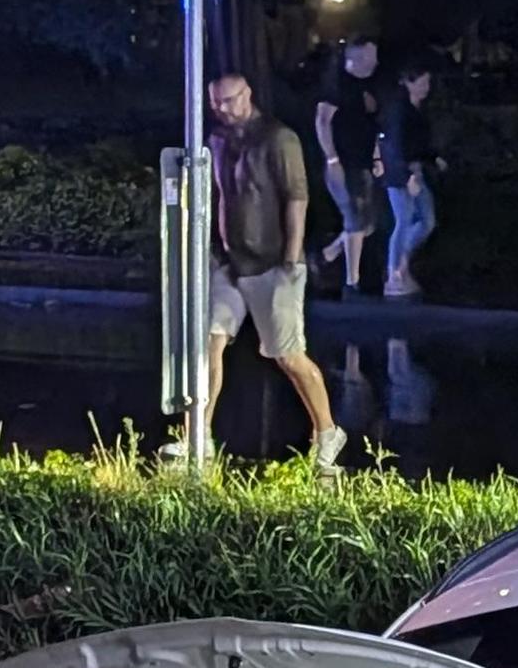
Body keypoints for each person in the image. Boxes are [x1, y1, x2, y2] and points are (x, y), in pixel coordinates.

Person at [172, 72, 346, 470]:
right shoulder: (216, 139)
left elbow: (296, 198)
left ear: (247, 94)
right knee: (208, 346)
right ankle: (196, 434)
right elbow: (217, 194)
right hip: (231, 262)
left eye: (229, 101)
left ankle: (327, 430)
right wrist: (214, 249)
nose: (223, 109)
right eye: (216, 103)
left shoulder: (278, 138)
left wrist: (291, 257)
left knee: (288, 355)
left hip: (273, 264)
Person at [315, 38, 386, 293]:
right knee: (355, 220)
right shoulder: (337, 85)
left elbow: (372, 126)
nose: (374, 62)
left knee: (367, 223)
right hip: (344, 162)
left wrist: (377, 158)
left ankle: (329, 253)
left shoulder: (366, 87)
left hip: (363, 160)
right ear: (354, 58)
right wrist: (332, 158)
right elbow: (322, 121)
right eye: (369, 56)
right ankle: (351, 282)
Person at [380, 61, 439, 299]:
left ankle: (401, 260)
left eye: (428, 83)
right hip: (399, 173)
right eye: (422, 83)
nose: (426, 88)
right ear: (409, 84)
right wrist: (406, 177)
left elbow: (419, 143)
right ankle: (394, 274)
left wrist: (433, 158)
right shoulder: (399, 111)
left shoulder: (417, 110)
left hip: (415, 170)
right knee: (403, 221)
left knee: (427, 221)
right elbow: (394, 147)